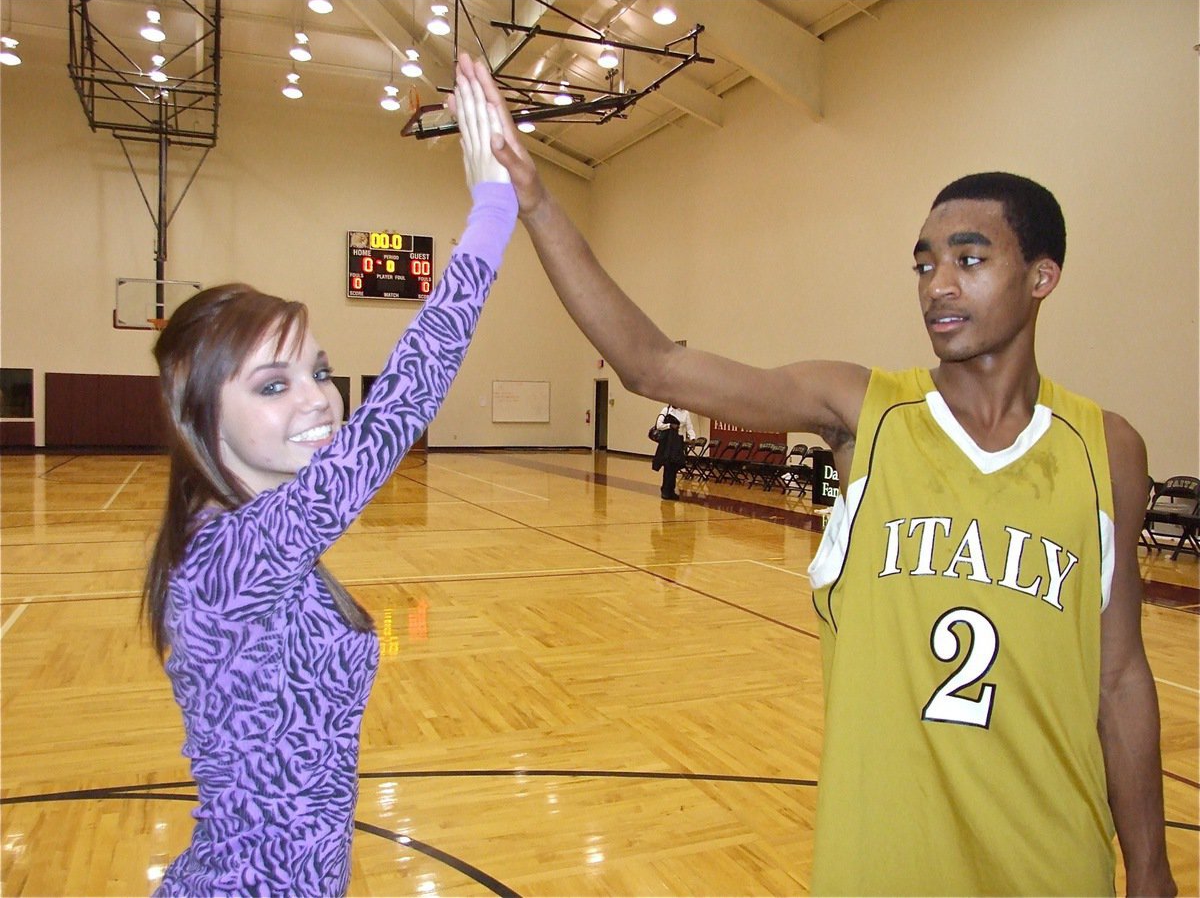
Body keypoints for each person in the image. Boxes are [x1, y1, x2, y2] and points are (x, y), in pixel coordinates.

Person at [454, 55, 1177, 897]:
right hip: (882, 863)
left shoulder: (1108, 450)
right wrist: (537, 204)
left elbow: (1120, 677)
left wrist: (1153, 869)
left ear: (1042, 277)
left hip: (1053, 864)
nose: (937, 284)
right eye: (923, 262)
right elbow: (653, 365)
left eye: (970, 259)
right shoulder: (863, 410)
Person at [141, 68, 515, 897]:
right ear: (203, 417)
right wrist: (494, 212)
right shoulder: (227, 557)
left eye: (316, 370)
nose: (318, 398)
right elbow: (399, 404)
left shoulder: (256, 543)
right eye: (273, 385)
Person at [653, 403, 696, 499]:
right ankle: (665, 490)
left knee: (675, 466)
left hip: (678, 442)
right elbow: (659, 425)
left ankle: (671, 490)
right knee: (668, 465)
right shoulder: (666, 410)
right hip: (669, 442)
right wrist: (670, 425)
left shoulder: (686, 413)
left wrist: (693, 438)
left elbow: (689, 428)